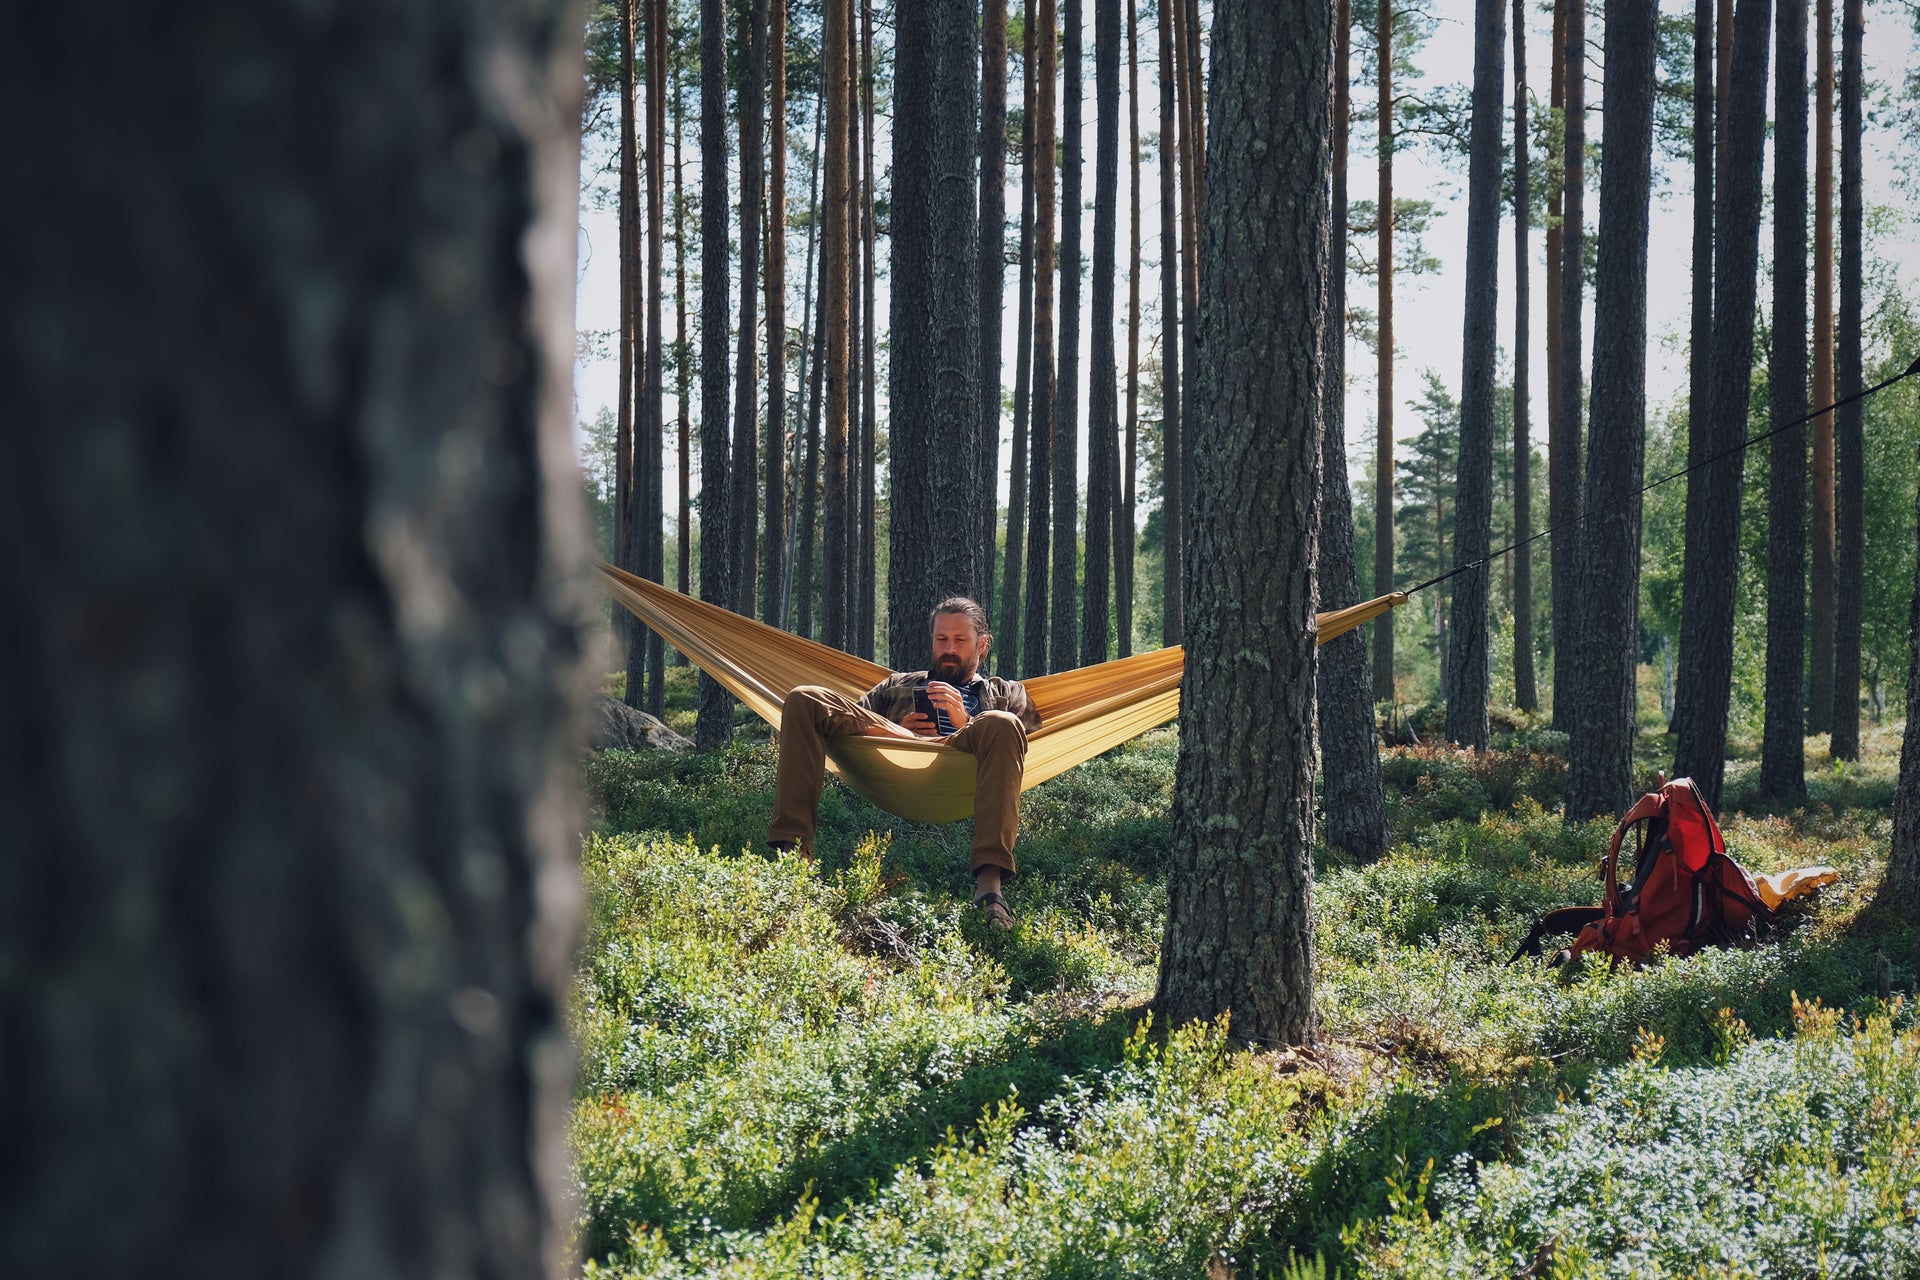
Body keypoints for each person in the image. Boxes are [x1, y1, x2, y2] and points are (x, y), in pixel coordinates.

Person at [767, 597, 1040, 929]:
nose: (949, 649)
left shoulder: (1006, 692)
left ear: (982, 645)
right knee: (804, 698)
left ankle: (989, 887)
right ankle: (794, 859)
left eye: (960, 640)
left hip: (966, 756)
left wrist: (966, 719)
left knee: (1001, 721)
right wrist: (896, 731)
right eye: (941, 639)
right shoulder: (896, 685)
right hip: (897, 757)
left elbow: (1026, 735)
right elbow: (847, 719)